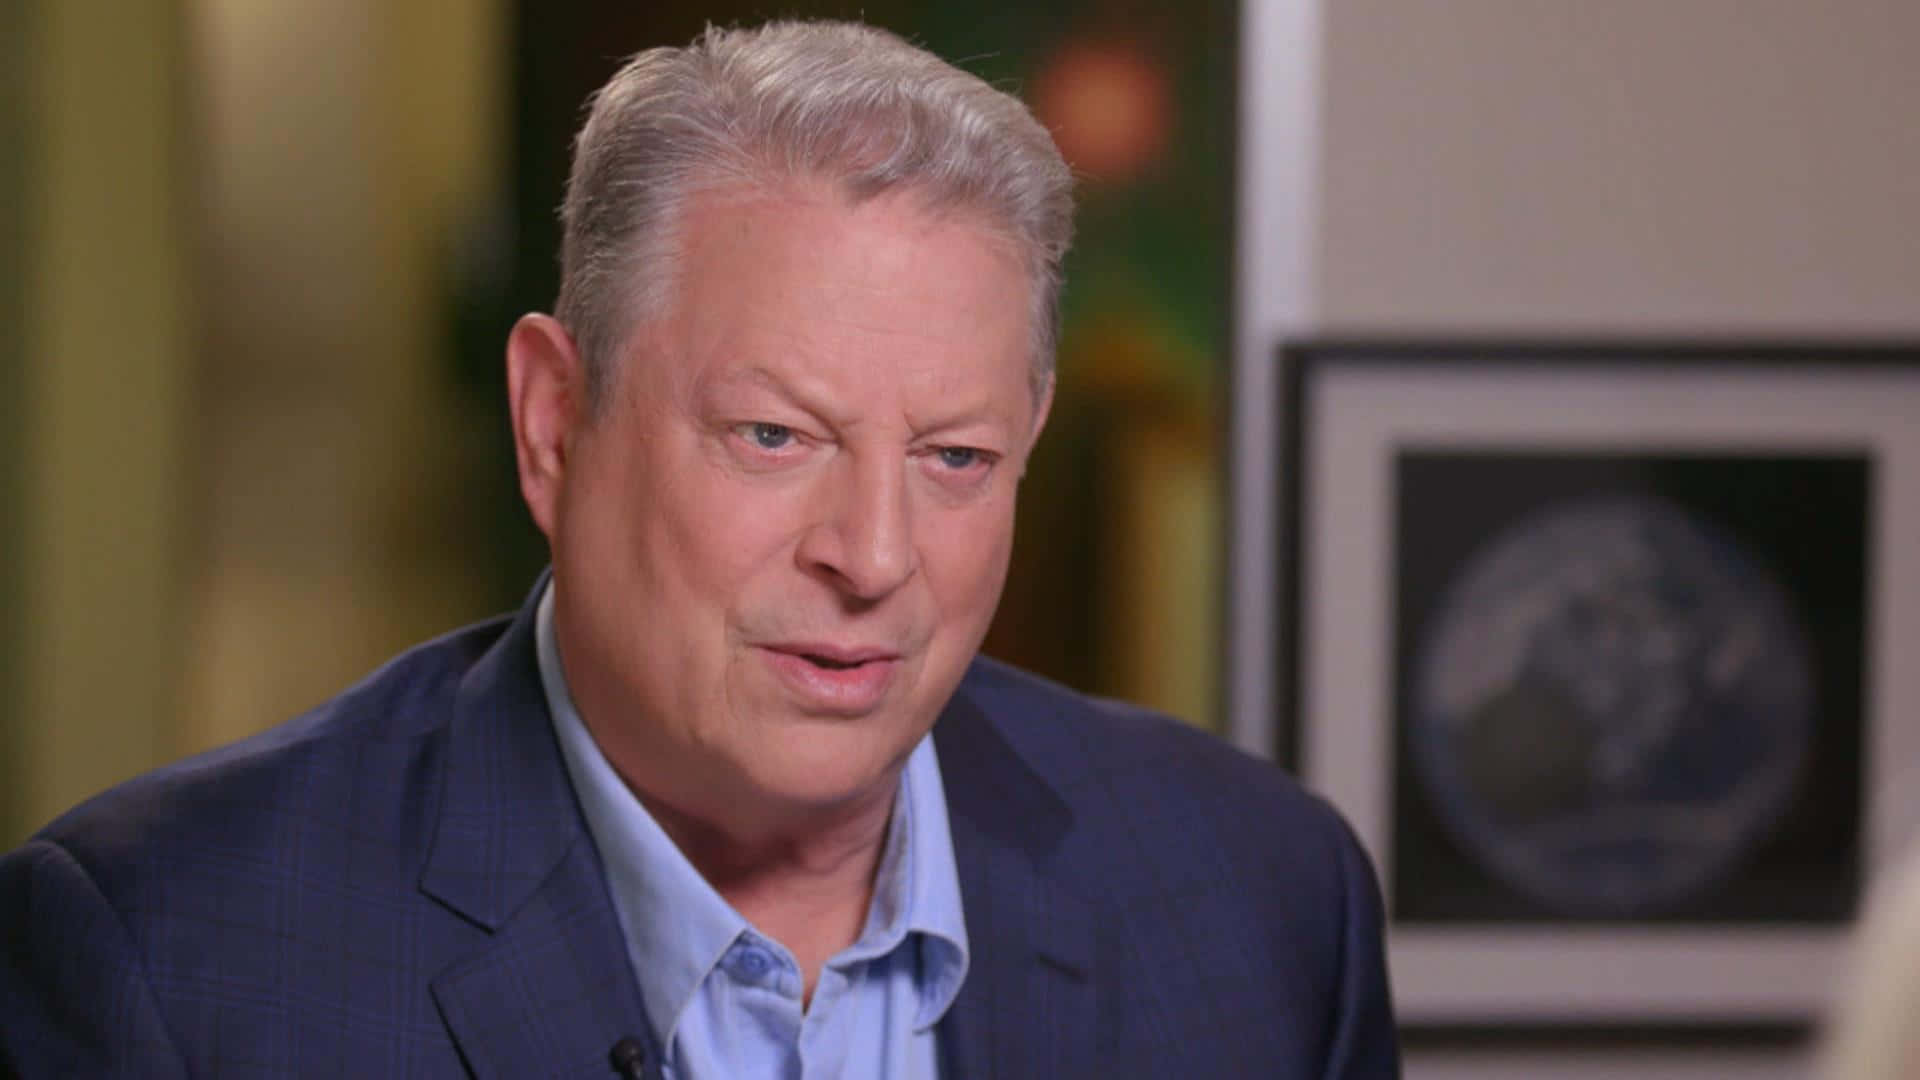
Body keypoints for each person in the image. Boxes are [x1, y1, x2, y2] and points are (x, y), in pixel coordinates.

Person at [0, 20, 1398, 1078]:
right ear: (554, 424)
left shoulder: (1263, 902)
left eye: (955, 458)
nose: (873, 555)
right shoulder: (167, 961)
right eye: (774, 438)